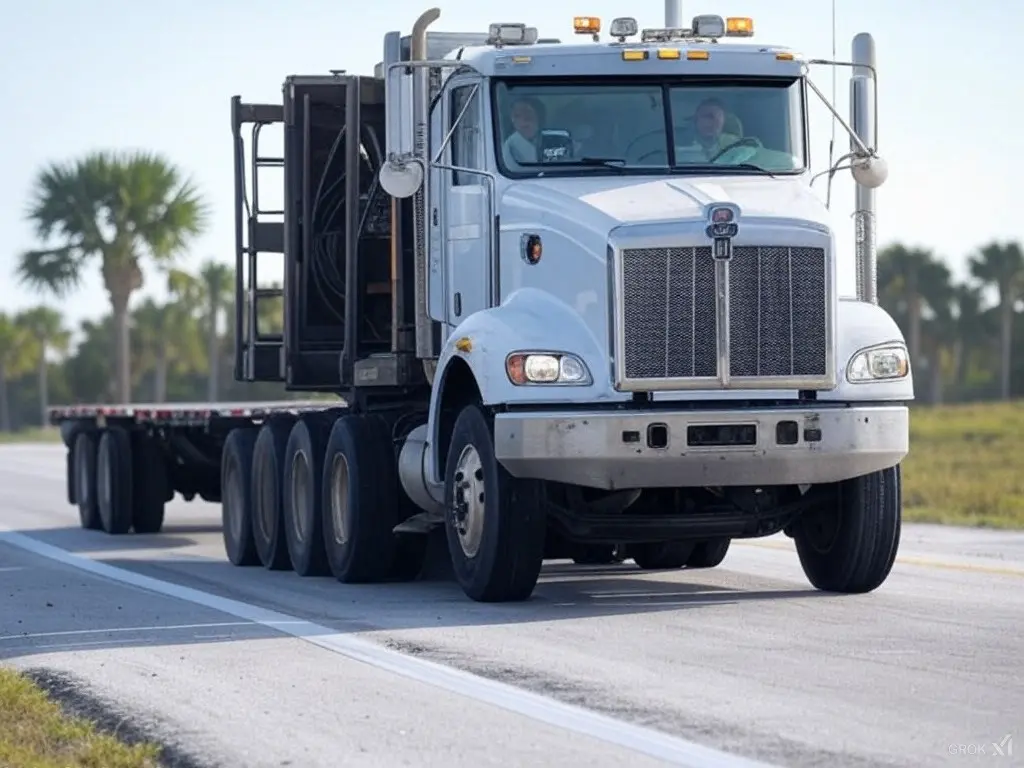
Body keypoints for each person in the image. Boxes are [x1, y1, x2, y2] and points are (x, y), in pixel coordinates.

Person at [502, 96, 545, 167]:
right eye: (517, 115)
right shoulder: (510, 146)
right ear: (512, 120)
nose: (524, 119)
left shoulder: (555, 140)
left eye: (528, 113)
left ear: (539, 117)